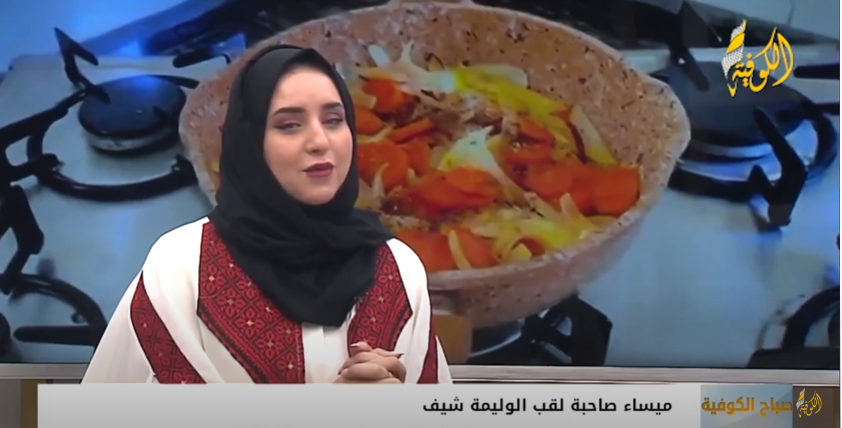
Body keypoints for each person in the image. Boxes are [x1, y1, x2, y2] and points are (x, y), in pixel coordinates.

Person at [82, 45, 452, 384]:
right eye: (289, 125)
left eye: (334, 120)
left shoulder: (398, 268)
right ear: (250, 142)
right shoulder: (182, 269)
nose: (320, 141)